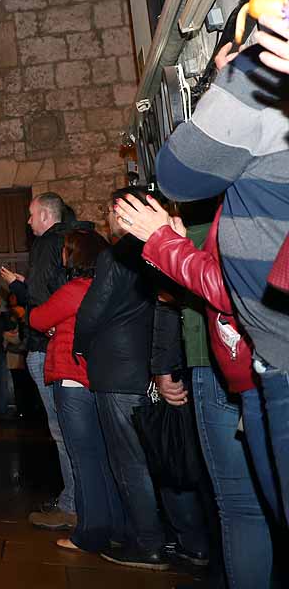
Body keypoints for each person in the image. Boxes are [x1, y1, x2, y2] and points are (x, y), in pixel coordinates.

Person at [156, 30, 289, 526]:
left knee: (241, 508)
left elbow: (177, 172)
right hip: (264, 357)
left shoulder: (261, 73)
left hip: (264, 355)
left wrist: (163, 245)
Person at [115, 192, 275, 586]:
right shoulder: (234, 206)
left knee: (238, 502)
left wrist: (168, 244)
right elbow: (168, 297)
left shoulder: (223, 212)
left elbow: (214, 292)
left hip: (222, 360)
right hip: (223, 357)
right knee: (241, 499)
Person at [74, 187, 208, 571]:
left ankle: (148, 543)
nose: (105, 220)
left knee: (130, 462)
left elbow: (92, 312)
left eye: (108, 212)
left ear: (122, 212)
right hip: (160, 367)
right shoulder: (167, 247)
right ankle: (192, 542)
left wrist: (80, 345)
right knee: (166, 457)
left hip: (119, 371)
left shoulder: (117, 254)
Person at [30, 228, 125, 556]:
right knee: (102, 457)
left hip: (71, 378)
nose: (62, 255)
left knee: (82, 457)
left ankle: (90, 532)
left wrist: (56, 324)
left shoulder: (76, 288)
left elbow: (38, 317)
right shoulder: (106, 286)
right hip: (98, 377)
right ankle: (114, 526)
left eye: (67, 250)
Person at [0, 193, 84, 530]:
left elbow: (41, 303)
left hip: (46, 346)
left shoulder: (46, 244)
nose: (29, 221)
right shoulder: (72, 240)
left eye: (32, 215)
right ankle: (78, 497)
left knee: (62, 430)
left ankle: (73, 505)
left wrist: (20, 289)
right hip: (70, 344)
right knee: (73, 429)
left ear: (47, 216)